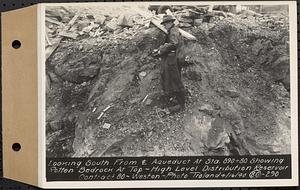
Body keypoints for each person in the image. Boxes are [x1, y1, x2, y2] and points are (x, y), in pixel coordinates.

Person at [152, 15, 185, 113]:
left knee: (175, 79)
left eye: (166, 24)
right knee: (171, 78)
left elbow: (174, 43)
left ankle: (181, 104)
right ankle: (175, 102)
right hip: (173, 59)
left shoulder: (173, 31)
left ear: (170, 23)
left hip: (174, 60)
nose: (165, 26)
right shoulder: (172, 31)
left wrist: (161, 50)